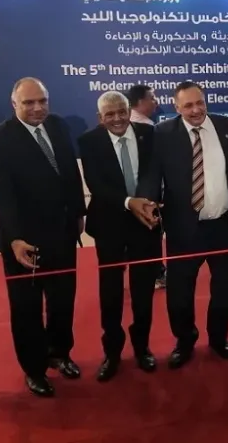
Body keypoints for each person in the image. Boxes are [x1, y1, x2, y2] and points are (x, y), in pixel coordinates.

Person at [0, 77, 86, 397]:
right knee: (26, 308)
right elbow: (3, 195)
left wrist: (78, 213)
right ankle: (34, 368)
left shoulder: (58, 126)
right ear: (14, 104)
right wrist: (15, 239)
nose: (38, 108)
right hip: (24, 242)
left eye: (42, 101)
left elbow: (70, 174)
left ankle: (60, 353)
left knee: (62, 300)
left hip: (63, 233)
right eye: (29, 103)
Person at [137, 81, 228, 369]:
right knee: (180, 294)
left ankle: (219, 339)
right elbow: (151, 175)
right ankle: (185, 341)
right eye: (188, 105)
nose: (196, 110)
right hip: (183, 229)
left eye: (200, 103)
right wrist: (147, 200)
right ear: (176, 107)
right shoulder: (162, 133)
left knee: (224, 290)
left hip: (223, 225)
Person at [78, 91, 161, 381]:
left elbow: (154, 173)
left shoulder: (148, 134)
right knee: (111, 292)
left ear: (129, 111)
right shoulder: (89, 141)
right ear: (100, 118)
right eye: (109, 114)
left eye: (121, 112)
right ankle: (112, 352)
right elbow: (96, 184)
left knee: (143, 290)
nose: (117, 118)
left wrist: (146, 202)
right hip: (109, 224)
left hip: (145, 223)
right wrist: (129, 202)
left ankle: (142, 347)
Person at [126, 84, 166, 289]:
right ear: (140, 102)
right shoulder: (147, 129)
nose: (156, 102)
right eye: (152, 97)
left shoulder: (147, 126)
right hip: (145, 198)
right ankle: (155, 274)